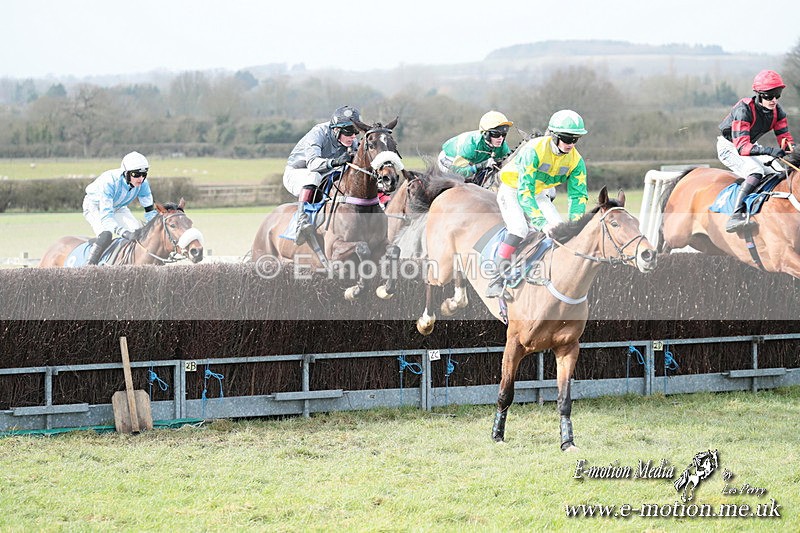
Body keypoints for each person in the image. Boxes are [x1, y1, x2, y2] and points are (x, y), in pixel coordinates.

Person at [487, 109, 589, 298]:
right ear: (554, 136)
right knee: (519, 229)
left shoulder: (576, 161)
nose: (571, 144)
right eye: (567, 138)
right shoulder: (534, 149)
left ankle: (545, 275)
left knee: (559, 230)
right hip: (512, 189)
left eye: (575, 139)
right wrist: (541, 223)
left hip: (539, 193)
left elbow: (578, 197)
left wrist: (575, 226)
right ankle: (495, 279)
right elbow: (524, 192)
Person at [718, 69, 796, 233]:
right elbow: (742, 147)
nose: (774, 100)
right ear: (759, 95)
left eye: (777, 95)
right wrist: (770, 151)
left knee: (780, 173)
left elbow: (785, 140)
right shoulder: (744, 110)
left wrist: (792, 151)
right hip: (730, 146)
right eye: (769, 96)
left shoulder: (778, 112)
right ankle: (735, 215)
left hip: (751, 145)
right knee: (755, 171)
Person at [283, 105, 360, 245]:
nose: (353, 136)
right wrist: (335, 162)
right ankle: (301, 221)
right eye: (349, 132)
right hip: (297, 172)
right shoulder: (318, 133)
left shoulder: (352, 141)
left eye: (356, 131)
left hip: (324, 172)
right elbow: (312, 164)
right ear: (336, 130)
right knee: (314, 176)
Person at [82, 151, 156, 265]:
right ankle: (89, 267)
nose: (141, 178)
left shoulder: (143, 184)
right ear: (126, 173)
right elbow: (107, 218)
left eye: (144, 174)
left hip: (119, 207)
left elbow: (150, 212)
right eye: (136, 174)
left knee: (138, 234)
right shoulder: (109, 182)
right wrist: (124, 232)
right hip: (95, 206)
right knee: (106, 234)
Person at [437, 111, 513, 184]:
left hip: (471, 161)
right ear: (485, 134)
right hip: (450, 160)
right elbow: (458, 172)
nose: (500, 138)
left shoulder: (502, 145)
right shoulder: (471, 145)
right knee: (463, 181)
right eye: (496, 134)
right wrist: (481, 165)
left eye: (504, 134)